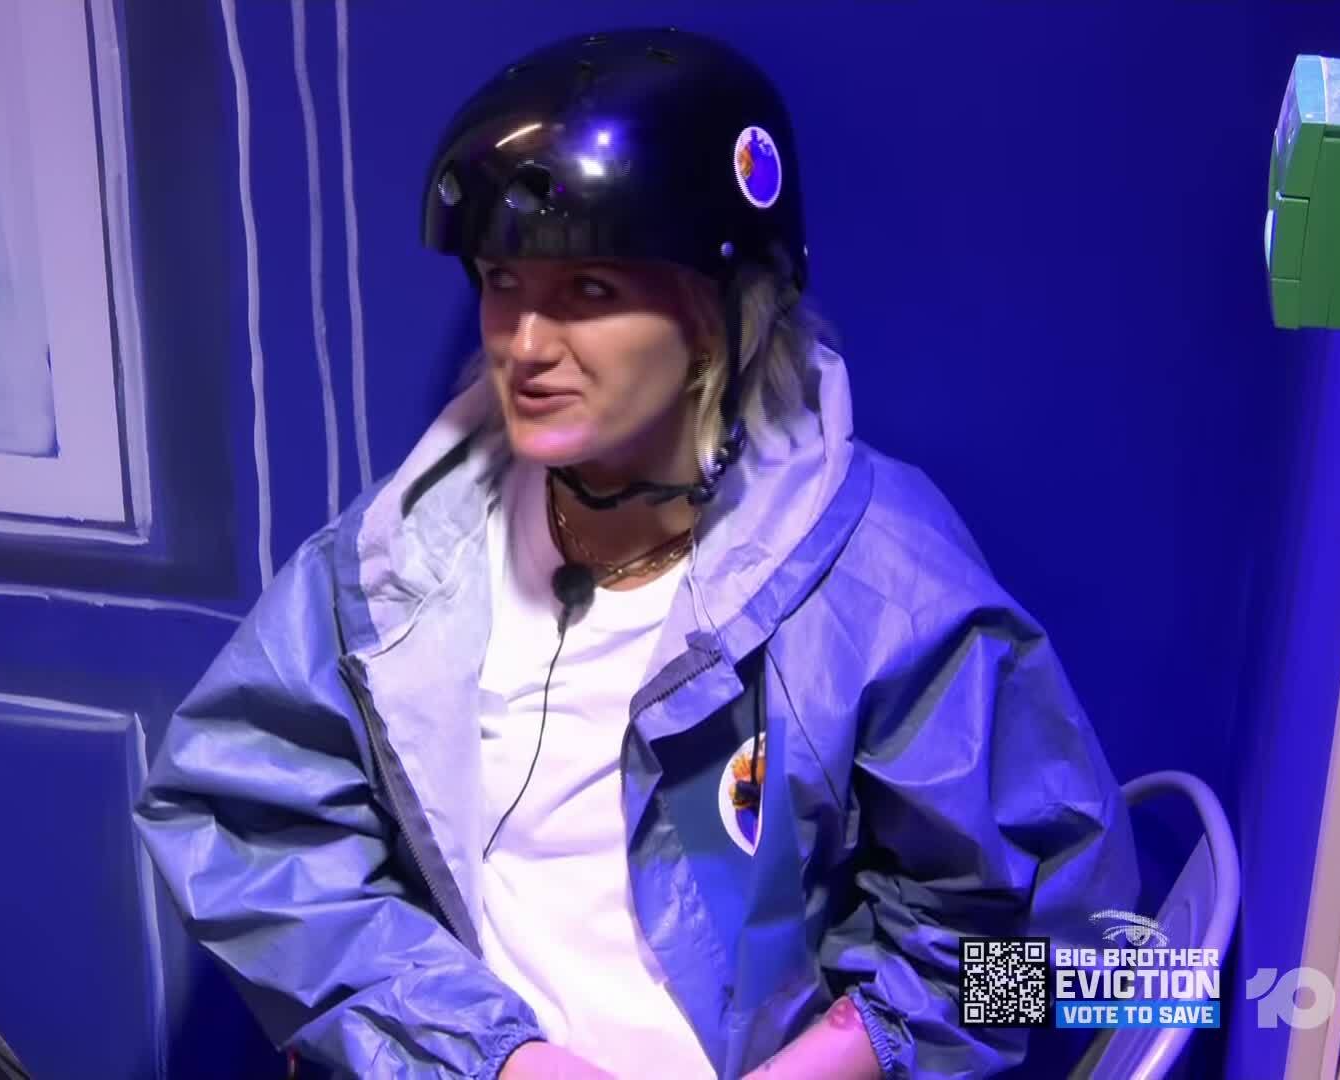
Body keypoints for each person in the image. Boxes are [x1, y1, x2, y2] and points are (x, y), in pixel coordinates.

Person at [137, 26, 1138, 1080]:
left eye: (590, 291)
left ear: (718, 314)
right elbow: (241, 824)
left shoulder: (878, 583)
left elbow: (1059, 960)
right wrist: (494, 1057)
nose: (525, 345)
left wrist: (831, 1061)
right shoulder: (406, 561)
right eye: (501, 283)